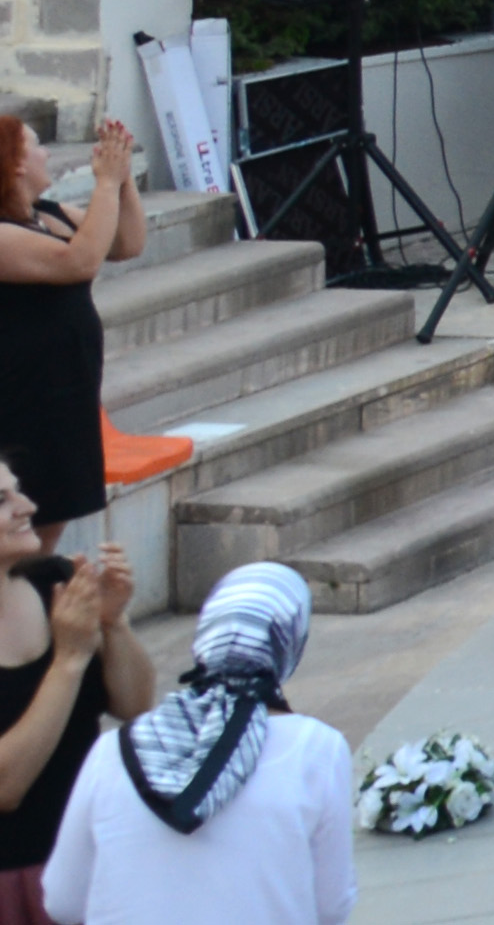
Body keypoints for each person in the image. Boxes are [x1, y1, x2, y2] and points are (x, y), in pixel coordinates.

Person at [41, 565, 343, 925]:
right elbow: (332, 907)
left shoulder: (114, 749)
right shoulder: (318, 748)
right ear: (289, 643)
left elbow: (62, 902)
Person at [1, 458, 155, 917]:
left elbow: (134, 705)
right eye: (2, 500)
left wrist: (113, 623)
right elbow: (6, 786)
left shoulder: (55, 583)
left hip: (86, 860)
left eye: (17, 490)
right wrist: (68, 661)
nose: (28, 506)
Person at [0, 117, 146, 579]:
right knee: (27, 522)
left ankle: (36, 601)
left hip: (67, 391)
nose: (47, 154)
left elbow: (126, 243)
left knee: (55, 511)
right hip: (21, 398)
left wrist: (123, 179)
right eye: (36, 145)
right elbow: (78, 261)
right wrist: (105, 182)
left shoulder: (50, 213)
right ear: (15, 163)